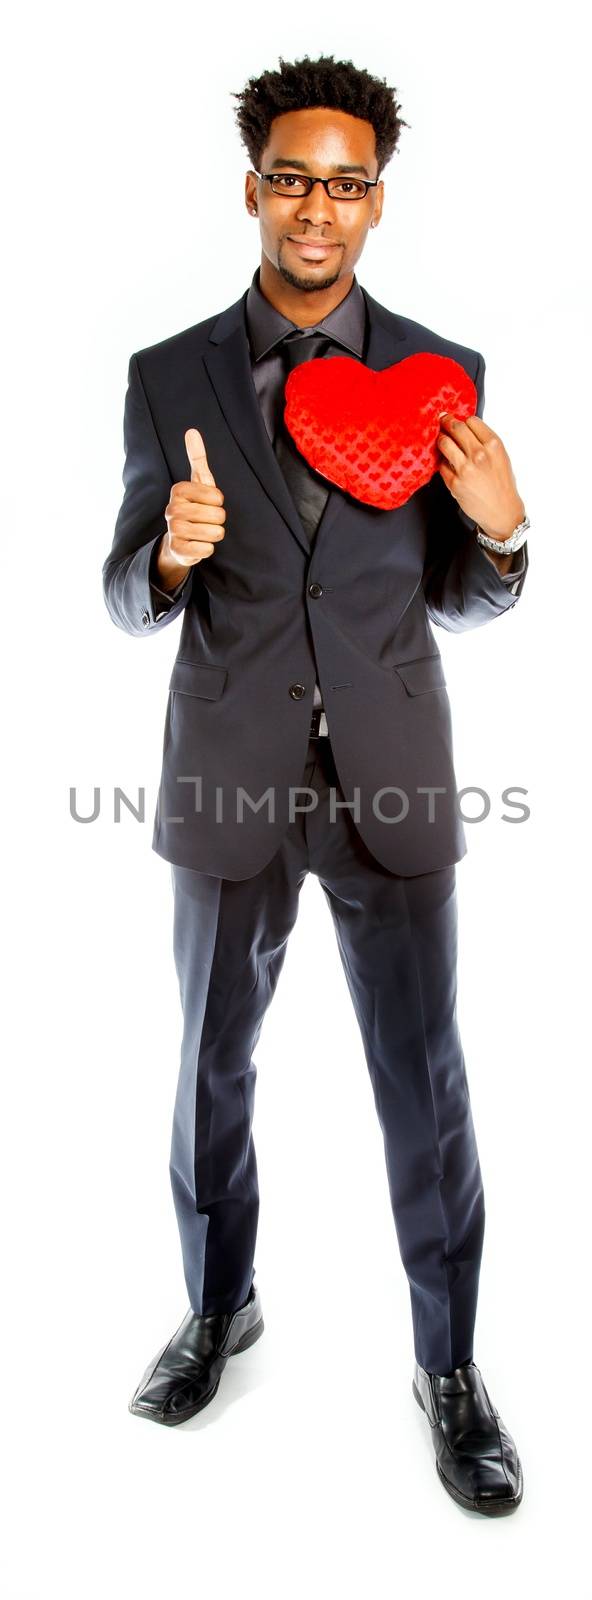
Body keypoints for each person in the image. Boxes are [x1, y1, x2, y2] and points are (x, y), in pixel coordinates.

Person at [102, 54, 529, 1515]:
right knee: (210, 1062)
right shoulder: (170, 376)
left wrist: (508, 534)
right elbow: (121, 593)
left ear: (376, 202)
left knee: (428, 1075)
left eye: (346, 183)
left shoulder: (444, 369)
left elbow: (466, 595)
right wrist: (168, 549)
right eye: (293, 176)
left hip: (393, 778)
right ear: (253, 189)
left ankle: (451, 1365)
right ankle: (221, 1306)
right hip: (227, 773)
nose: (317, 208)